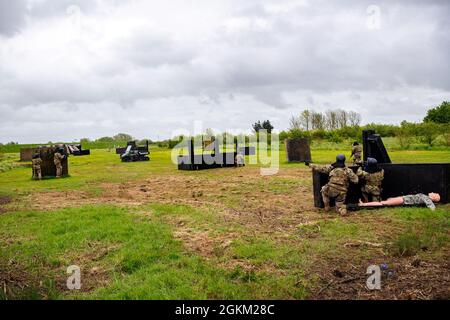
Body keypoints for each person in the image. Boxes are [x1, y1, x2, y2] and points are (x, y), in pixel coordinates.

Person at [357, 193, 440, 211]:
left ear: (434, 197)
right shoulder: (426, 197)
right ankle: (363, 204)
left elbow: (432, 207)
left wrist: (433, 206)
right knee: (388, 199)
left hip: (403, 200)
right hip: (402, 198)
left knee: (382, 203)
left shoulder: (427, 199)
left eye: (435, 194)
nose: (433, 192)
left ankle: (363, 204)